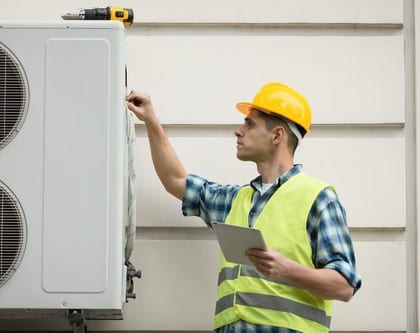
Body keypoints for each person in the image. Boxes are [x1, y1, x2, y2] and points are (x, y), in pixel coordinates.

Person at [126, 82, 362, 333]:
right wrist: (150, 118)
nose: (238, 131)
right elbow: (176, 181)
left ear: (277, 135)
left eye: (250, 124)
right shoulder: (235, 200)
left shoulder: (318, 199)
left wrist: (286, 269)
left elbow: (344, 285)